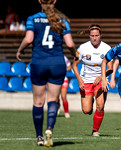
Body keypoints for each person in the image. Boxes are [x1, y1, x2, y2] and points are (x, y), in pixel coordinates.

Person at [16, 0, 77, 147]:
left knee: (38, 101)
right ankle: (49, 129)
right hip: (57, 63)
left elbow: (29, 39)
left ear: (39, 2)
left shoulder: (32, 18)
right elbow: (69, 44)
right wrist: (75, 54)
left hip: (39, 63)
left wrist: (20, 50)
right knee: (52, 100)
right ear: (54, 2)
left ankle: (39, 137)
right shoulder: (61, 20)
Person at [73, 24, 113, 136]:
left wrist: (101, 77)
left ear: (100, 35)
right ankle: (91, 101)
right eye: (92, 36)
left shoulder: (107, 48)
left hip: (101, 80)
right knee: (87, 110)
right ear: (89, 36)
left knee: (100, 106)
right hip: (86, 81)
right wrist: (80, 80)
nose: (94, 38)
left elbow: (111, 68)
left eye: (96, 35)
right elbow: (74, 65)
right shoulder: (82, 48)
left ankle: (95, 130)